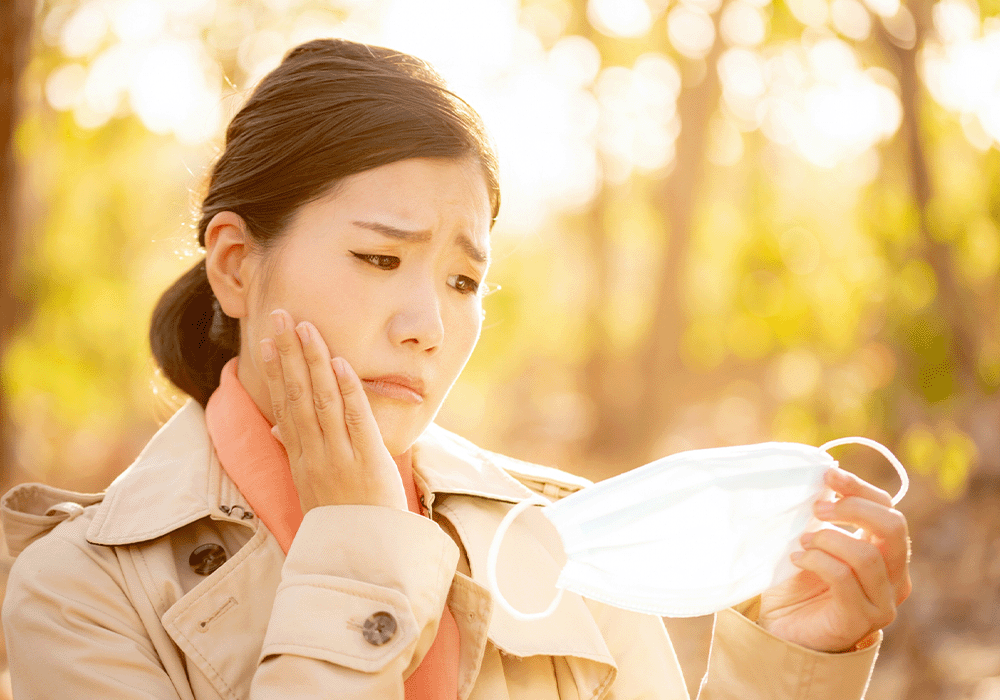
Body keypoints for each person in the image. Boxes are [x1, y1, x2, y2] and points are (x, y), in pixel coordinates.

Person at [1, 38, 911, 699]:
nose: (429, 325)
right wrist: (357, 552)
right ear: (236, 265)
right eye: (380, 259)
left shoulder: (562, 540)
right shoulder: (79, 594)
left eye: (465, 279)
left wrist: (790, 668)